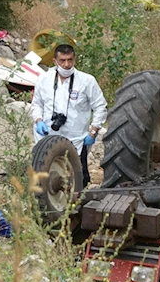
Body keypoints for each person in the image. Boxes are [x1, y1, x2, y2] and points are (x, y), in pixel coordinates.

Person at [31, 44, 107, 188]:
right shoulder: (44, 79)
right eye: (62, 61)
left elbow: (100, 106)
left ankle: (80, 199)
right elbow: (37, 104)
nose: (67, 65)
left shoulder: (86, 81)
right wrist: (39, 120)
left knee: (78, 180)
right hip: (47, 139)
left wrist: (93, 131)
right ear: (54, 61)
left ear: (74, 59)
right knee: (45, 180)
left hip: (76, 140)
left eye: (70, 60)